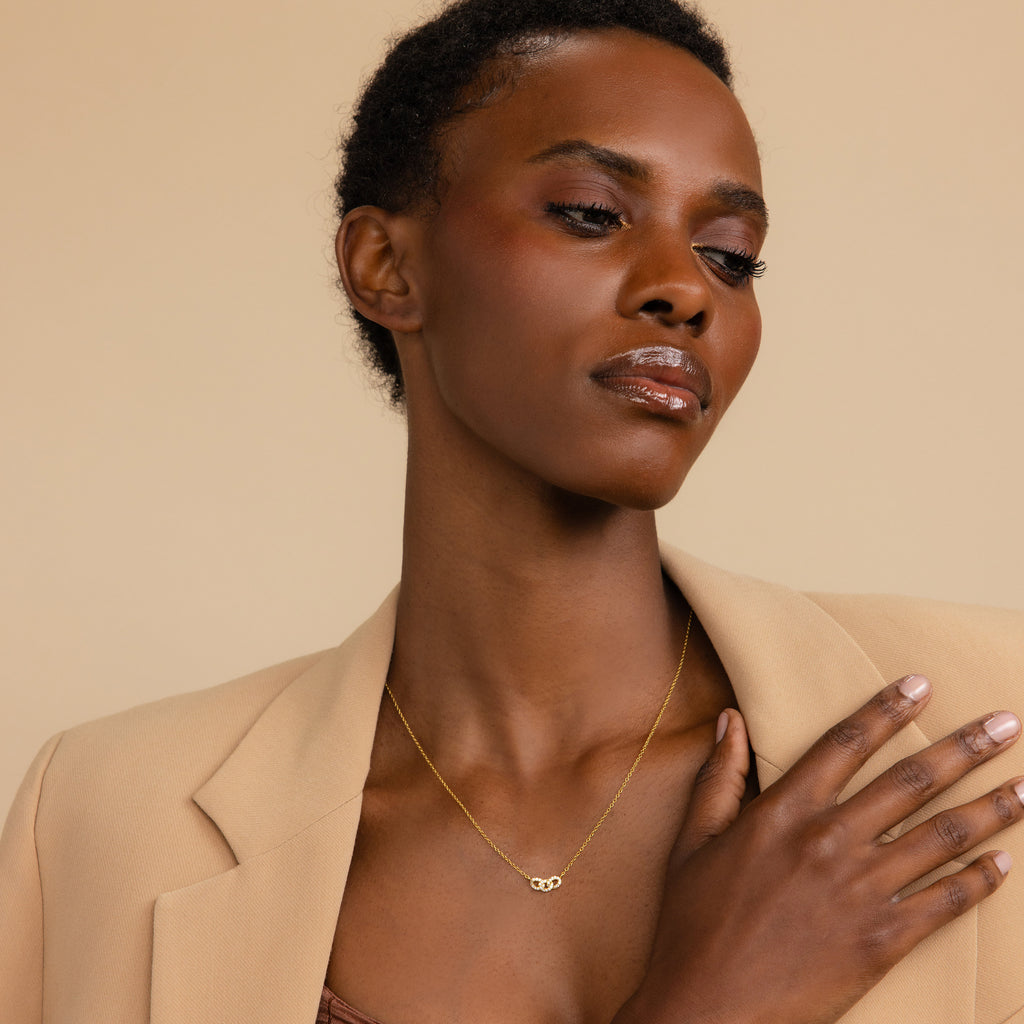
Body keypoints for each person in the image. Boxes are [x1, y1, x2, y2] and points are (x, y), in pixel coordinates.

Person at [2, 1, 1023, 1022]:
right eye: (590, 213)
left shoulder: (992, 717)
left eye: (730, 254)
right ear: (386, 268)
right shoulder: (101, 820)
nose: (684, 289)